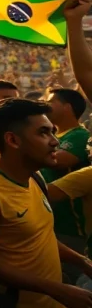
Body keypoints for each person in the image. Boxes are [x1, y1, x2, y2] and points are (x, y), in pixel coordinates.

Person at [0, 98, 92, 308]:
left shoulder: (35, 177)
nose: (55, 142)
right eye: (43, 133)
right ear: (13, 140)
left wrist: (82, 262)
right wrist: (57, 290)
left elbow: (39, 236)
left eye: (53, 132)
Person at [41, 87, 91, 249]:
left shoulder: (80, 136)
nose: (45, 105)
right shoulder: (53, 136)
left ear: (67, 107)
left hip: (72, 229)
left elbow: (57, 161)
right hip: (51, 222)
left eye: (50, 102)